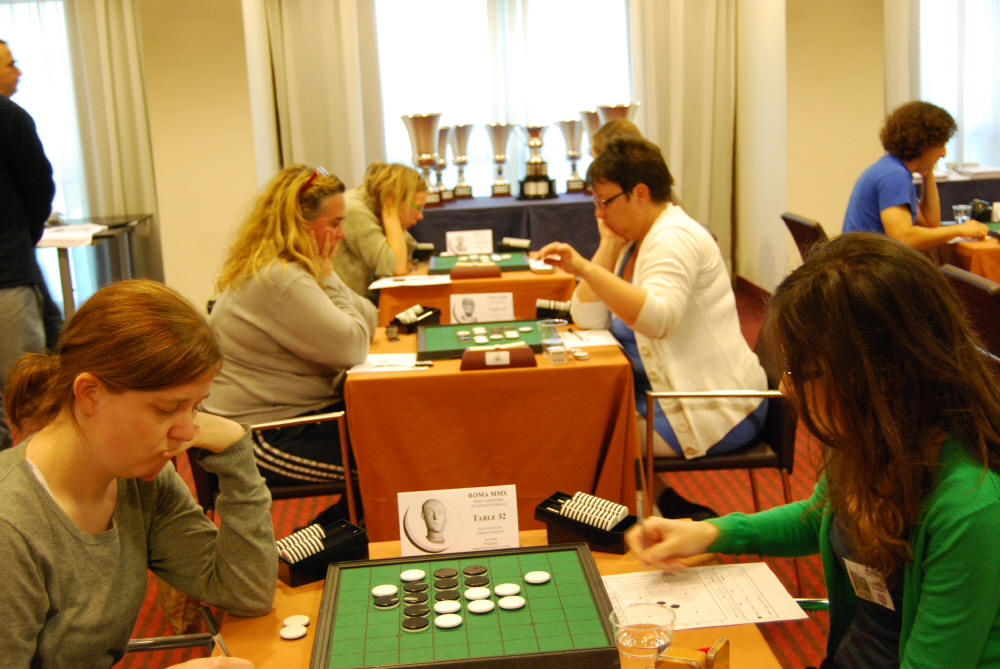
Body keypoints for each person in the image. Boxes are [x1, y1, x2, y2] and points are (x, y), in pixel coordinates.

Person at [627, 233, 1000, 668]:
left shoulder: (970, 511)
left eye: (800, 371)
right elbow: (819, 515)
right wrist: (711, 532)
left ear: (873, 377)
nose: (786, 388)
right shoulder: (873, 435)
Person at [0, 279, 274, 669]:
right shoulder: (10, 527)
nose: (187, 431)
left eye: (196, 406)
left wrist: (235, 456)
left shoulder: (141, 480)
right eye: (167, 409)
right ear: (89, 393)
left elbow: (245, 590)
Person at [537, 137, 768, 519]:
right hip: (665, 397)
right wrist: (607, 247)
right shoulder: (634, 241)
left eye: (605, 201)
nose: (599, 213)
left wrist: (583, 268)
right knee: (579, 418)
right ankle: (669, 507)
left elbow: (659, 320)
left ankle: (644, 527)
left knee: (586, 438)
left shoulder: (673, 238)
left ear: (640, 194)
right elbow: (588, 317)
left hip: (716, 406)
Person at [206, 165, 376, 520]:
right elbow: (355, 345)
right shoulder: (280, 279)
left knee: (395, 449)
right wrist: (328, 276)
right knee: (388, 463)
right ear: (301, 224)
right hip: (260, 438)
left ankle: (334, 543)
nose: (342, 234)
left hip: (301, 418)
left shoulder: (292, 270)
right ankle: (316, 548)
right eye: (334, 223)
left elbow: (370, 319)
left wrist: (326, 275)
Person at [0, 38, 57, 450]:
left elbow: (38, 192)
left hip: (10, 273)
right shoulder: (10, 116)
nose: (17, 71)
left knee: (24, 396)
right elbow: (38, 192)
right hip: (8, 279)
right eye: (9, 64)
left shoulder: (9, 117)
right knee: (26, 396)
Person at [842, 100, 988, 248]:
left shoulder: (892, 168)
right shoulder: (894, 175)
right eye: (941, 145)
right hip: (868, 260)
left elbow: (930, 223)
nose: (943, 154)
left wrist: (928, 174)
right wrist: (958, 230)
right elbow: (903, 237)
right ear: (924, 144)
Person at [332, 162, 427, 302]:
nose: (420, 216)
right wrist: (391, 212)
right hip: (350, 307)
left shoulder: (377, 206)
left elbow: (409, 258)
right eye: (418, 207)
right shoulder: (355, 210)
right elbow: (396, 268)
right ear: (396, 198)